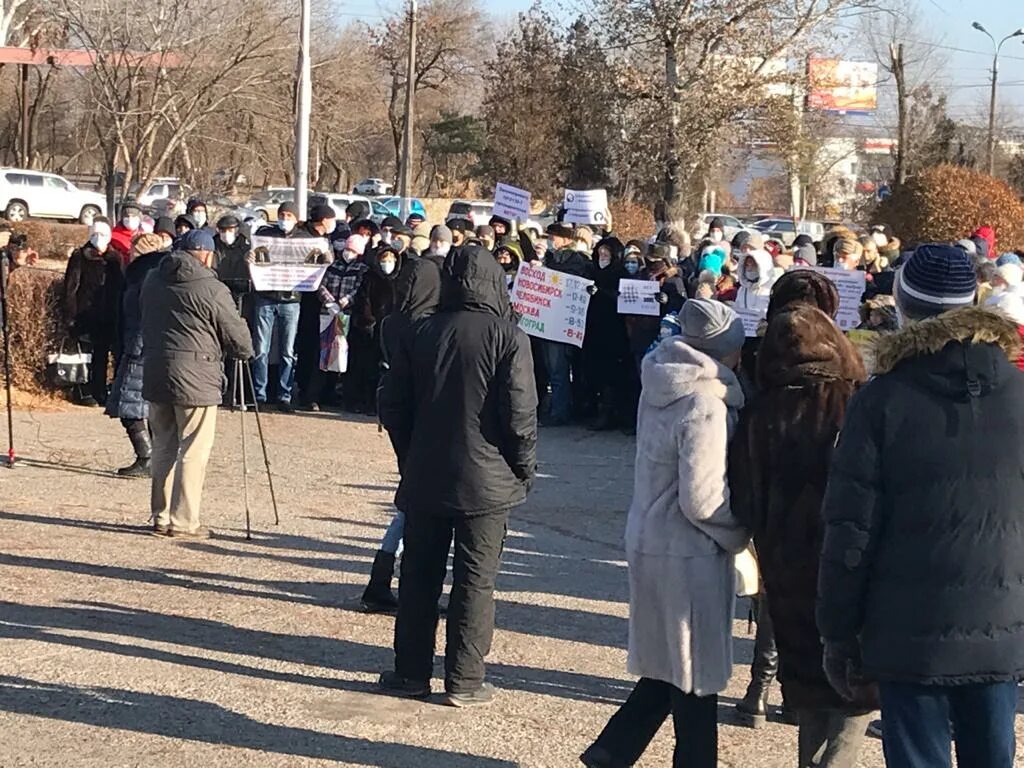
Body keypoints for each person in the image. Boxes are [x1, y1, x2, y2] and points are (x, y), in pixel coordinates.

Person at [817, 243, 1024, 768]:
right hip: (1000, 624)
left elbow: (849, 531)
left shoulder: (882, 401)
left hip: (907, 630)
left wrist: (838, 631)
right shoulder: (1017, 392)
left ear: (904, 307)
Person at [581, 299, 749, 768]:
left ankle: (611, 751)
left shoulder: (660, 379)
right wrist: (739, 534)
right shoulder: (705, 403)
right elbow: (703, 497)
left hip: (650, 536)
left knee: (667, 666)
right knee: (695, 675)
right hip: (688, 549)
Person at [377, 245, 537, 705]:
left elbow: (394, 403)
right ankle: (464, 680)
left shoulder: (420, 331)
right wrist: (522, 468)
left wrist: (410, 456)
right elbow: (520, 414)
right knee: (475, 581)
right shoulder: (508, 336)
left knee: (419, 576)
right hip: (487, 479)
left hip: (428, 472)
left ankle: (410, 673)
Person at [730, 303, 872, 766]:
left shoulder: (760, 413)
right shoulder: (859, 402)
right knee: (857, 687)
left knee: (808, 685)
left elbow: (744, 500)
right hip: (851, 558)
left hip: (786, 565)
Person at [141, 229, 253, 537]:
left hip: (157, 370)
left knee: (163, 445)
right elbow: (236, 335)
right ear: (205, 254)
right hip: (196, 377)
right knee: (193, 448)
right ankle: (184, 521)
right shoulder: (211, 287)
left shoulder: (153, 279)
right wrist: (246, 349)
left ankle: (160, 516)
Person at [360, 250, 443, 613]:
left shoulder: (391, 321)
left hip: (394, 410)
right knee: (418, 503)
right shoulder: (426, 327)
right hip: (420, 415)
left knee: (409, 498)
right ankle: (394, 581)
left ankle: (382, 575)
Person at [103, 233, 167, 477]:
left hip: (140, 348)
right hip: (143, 346)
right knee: (146, 408)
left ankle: (147, 457)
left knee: (129, 407)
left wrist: (135, 345)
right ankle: (155, 456)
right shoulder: (155, 275)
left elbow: (143, 317)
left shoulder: (144, 276)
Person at [250, 202, 304, 411]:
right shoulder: (265, 235)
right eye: (282, 214)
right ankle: (259, 395)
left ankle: (285, 395)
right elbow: (257, 257)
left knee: (287, 351)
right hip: (265, 296)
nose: (285, 218)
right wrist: (251, 257)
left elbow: (316, 260)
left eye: (290, 215)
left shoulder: (304, 239)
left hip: (291, 301)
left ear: (296, 218)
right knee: (261, 349)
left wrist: (325, 259)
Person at [306, 234, 370, 411]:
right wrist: (329, 300)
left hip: (346, 316)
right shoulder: (332, 266)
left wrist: (345, 301)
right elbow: (320, 284)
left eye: (353, 251)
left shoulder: (362, 269)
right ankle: (314, 397)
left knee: (341, 354)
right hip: (327, 314)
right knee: (323, 354)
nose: (348, 253)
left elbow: (359, 290)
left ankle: (335, 395)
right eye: (347, 249)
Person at [63, 217, 122, 406]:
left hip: (108, 316)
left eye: (103, 234)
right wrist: (70, 316)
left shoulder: (115, 259)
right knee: (87, 354)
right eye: (95, 234)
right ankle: (86, 391)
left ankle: (102, 390)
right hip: (86, 314)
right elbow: (71, 287)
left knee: (104, 355)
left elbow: (120, 288)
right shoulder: (80, 256)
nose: (99, 238)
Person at [542, 222, 593, 425]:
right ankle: (559, 407)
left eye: (553, 236)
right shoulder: (550, 258)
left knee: (559, 369)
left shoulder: (578, 261)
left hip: (564, 322)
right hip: (549, 319)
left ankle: (561, 412)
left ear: (565, 239)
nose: (550, 240)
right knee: (553, 368)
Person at [583, 236, 635, 431]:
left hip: (615, 331)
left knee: (613, 375)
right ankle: (597, 410)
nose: (603, 255)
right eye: (600, 251)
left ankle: (612, 414)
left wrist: (602, 293)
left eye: (607, 252)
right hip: (593, 329)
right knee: (595, 372)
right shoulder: (592, 271)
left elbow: (624, 298)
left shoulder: (621, 273)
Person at [346, 244, 403, 414]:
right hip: (369, 331)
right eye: (384, 259)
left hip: (390, 330)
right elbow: (363, 302)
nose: (388, 263)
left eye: (391, 259)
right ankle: (362, 401)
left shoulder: (399, 279)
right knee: (365, 368)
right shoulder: (369, 278)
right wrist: (368, 322)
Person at [733, 248, 777, 316]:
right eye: (747, 265)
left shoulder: (772, 288)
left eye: (754, 265)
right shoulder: (742, 289)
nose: (749, 269)